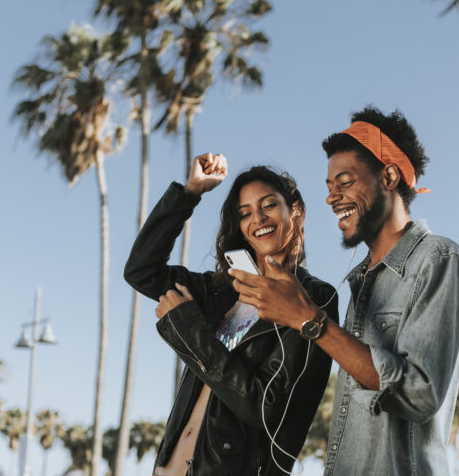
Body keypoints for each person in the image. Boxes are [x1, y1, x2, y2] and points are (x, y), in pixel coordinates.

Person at [229, 107, 459, 475]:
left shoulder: (438, 259)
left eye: (344, 182)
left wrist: (309, 321)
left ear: (389, 176)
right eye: (329, 187)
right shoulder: (360, 282)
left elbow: (418, 393)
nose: (331, 198)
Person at [124, 153, 339, 476]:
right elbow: (141, 271)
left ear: (294, 210)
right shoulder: (221, 291)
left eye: (268, 205)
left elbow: (266, 407)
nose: (258, 219)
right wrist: (191, 191)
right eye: (245, 212)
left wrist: (189, 330)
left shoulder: (313, 298)